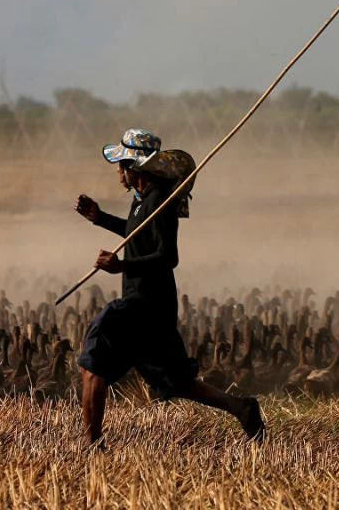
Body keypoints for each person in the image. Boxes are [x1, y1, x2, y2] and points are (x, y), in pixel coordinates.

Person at [73, 128, 265, 447]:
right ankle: (242, 408)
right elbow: (136, 233)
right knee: (178, 382)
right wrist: (99, 218)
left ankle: (91, 446)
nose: (118, 172)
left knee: (93, 359)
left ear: (136, 168)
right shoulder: (143, 202)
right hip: (156, 308)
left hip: (143, 305)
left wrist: (123, 266)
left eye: (122, 165)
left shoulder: (160, 201)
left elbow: (168, 256)